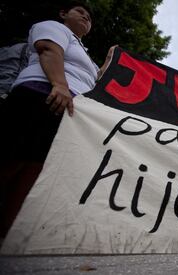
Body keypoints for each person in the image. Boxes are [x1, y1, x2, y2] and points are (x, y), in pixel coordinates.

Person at [0, 1, 116, 238]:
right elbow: (49, 49)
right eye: (80, 13)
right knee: (12, 160)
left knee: (35, 170)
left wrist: (111, 59)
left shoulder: (85, 55)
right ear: (64, 14)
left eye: (89, 18)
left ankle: (4, 232)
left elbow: (96, 79)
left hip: (71, 110)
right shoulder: (54, 28)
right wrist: (60, 85)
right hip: (41, 94)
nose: (86, 18)